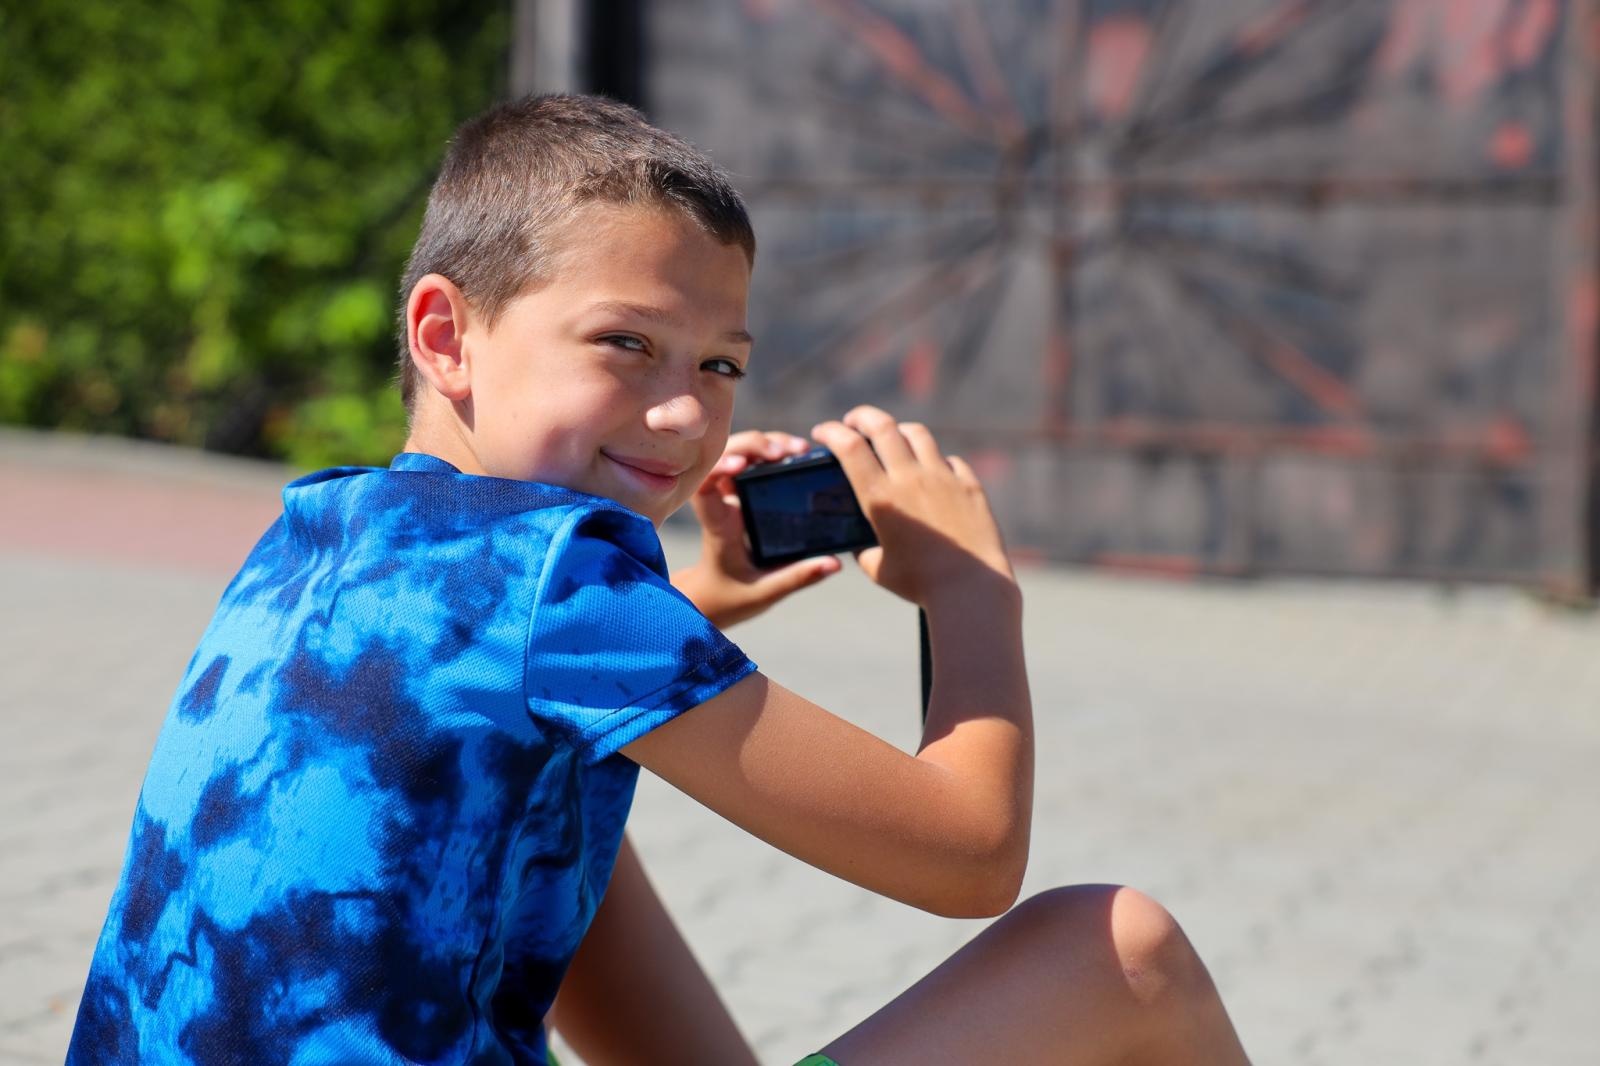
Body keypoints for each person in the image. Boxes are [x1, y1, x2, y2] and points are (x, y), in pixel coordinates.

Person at [67, 94, 1250, 1065]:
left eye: (721, 362)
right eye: (626, 343)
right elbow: (969, 856)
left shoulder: (323, 531)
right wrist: (972, 592)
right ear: (444, 334)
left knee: (558, 799)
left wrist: (706, 602)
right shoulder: (557, 579)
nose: (684, 409)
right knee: (1122, 951)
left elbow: (491, 675)